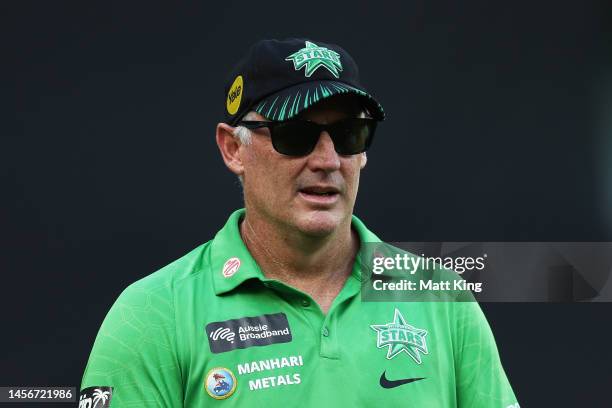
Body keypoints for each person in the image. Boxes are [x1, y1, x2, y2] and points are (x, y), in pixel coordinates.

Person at [79, 38, 519, 407]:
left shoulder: (443, 302)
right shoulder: (155, 314)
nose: (327, 161)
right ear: (233, 149)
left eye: (349, 134)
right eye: (296, 135)